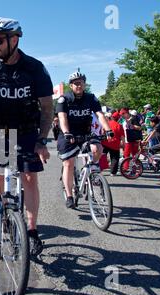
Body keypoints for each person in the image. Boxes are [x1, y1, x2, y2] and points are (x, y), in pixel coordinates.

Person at [0, 17, 54, 257]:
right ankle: (3, 215)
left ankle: (33, 230)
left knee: (29, 177)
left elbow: (47, 108)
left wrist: (42, 140)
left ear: (14, 40)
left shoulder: (35, 68)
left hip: (27, 131)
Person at [56, 71, 113, 209]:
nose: (78, 85)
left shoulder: (91, 98)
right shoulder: (64, 99)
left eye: (80, 82)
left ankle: (90, 171)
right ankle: (69, 195)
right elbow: (62, 118)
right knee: (68, 163)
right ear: (71, 85)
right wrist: (66, 132)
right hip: (68, 134)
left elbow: (99, 115)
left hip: (86, 133)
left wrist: (108, 129)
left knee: (98, 149)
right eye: (75, 83)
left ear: (84, 84)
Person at [101, 112, 125, 176]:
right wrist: (124, 145)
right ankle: (113, 172)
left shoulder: (107, 124)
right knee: (114, 158)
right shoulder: (119, 125)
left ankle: (99, 169)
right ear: (118, 118)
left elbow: (102, 132)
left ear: (112, 117)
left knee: (102, 156)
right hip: (115, 144)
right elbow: (122, 137)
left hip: (105, 142)